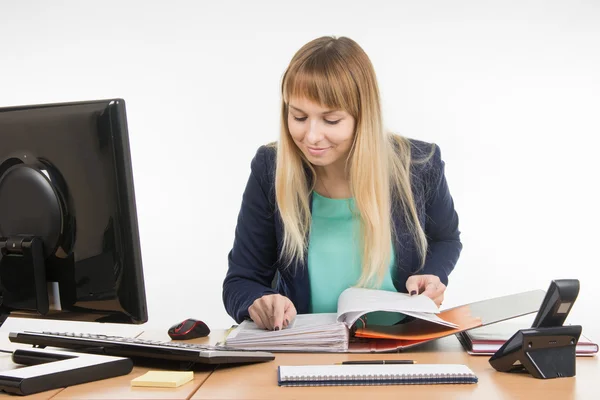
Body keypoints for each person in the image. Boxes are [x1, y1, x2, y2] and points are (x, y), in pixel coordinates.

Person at [222, 36, 461, 331]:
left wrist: (432, 275)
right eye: (298, 116)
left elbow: (446, 239)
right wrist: (258, 300)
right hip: (310, 348)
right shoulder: (270, 168)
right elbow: (241, 280)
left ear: (363, 117)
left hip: (403, 345)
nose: (311, 136)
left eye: (331, 120)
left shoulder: (419, 165)